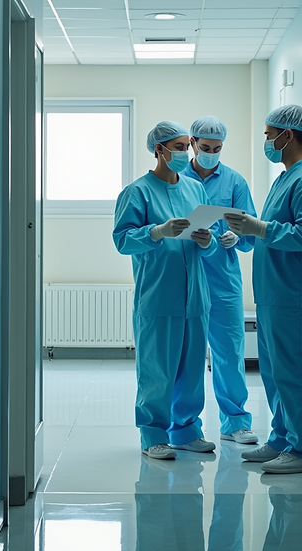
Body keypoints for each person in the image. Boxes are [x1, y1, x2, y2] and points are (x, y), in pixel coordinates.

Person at [224, 105, 302, 474]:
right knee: (275, 373)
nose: (267, 142)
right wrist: (251, 228)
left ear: (287, 135)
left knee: (295, 372)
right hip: (274, 293)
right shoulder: (285, 178)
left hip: (294, 294)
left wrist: (259, 228)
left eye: (269, 135)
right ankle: (283, 438)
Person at [113, 120, 219, 460]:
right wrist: (157, 232)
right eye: (178, 147)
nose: (185, 153)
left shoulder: (195, 190)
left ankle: (186, 431)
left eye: (187, 147)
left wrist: (208, 241)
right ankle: (153, 435)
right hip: (159, 296)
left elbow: (211, 243)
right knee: (156, 370)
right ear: (159, 149)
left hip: (195, 298)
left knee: (192, 369)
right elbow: (122, 241)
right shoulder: (137, 192)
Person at [180, 116, 259, 446]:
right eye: (206, 148)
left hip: (223, 281)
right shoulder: (176, 179)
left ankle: (235, 422)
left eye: (217, 149)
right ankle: (184, 427)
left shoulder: (234, 182)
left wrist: (236, 237)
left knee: (229, 352)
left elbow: (251, 235)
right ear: (193, 143)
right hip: (186, 276)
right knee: (187, 355)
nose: (211, 154)